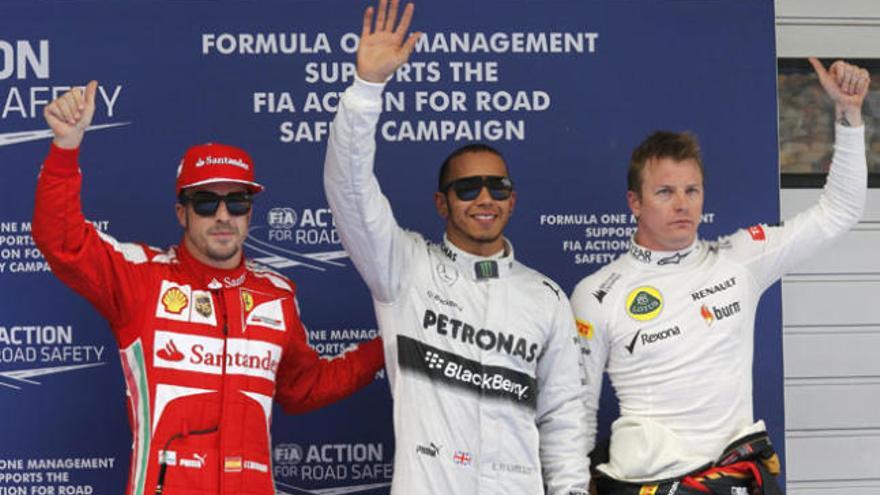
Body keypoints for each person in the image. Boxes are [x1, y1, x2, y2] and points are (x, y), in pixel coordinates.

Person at [33, 81, 384, 495]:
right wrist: (65, 149)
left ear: (250, 213)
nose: (223, 216)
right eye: (206, 202)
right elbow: (63, 242)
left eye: (237, 202)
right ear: (182, 213)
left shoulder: (277, 294)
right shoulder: (142, 279)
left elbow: (304, 387)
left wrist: (390, 345)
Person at [323, 1, 590, 494]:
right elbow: (349, 190)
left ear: (513, 199)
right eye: (467, 189)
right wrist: (366, 89)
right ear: (441, 204)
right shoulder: (403, 268)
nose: (484, 198)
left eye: (497, 187)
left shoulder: (546, 296)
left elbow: (563, 418)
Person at [571, 58, 870, 494]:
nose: (682, 204)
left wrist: (848, 117)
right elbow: (575, 410)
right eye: (665, 192)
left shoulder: (739, 259)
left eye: (692, 190)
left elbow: (839, 212)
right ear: (634, 202)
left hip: (735, 478)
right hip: (646, 483)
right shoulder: (597, 294)